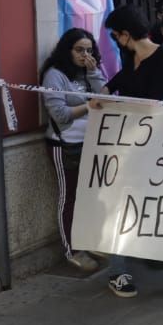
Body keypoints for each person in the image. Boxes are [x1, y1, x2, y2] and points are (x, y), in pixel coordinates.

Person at [102, 5, 163, 298]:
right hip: (132, 145)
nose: (114, 41)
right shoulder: (129, 55)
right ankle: (118, 270)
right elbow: (124, 80)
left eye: (115, 35)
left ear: (126, 34)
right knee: (121, 205)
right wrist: (103, 95)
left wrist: (118, 105)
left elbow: (157, 100)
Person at [39, 29, 106, 274]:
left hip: (92, 143)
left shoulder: (90, 72)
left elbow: (106, 96)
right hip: (64, 143)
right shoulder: (55, 75)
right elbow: (60, 114)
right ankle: (72, 250)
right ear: (67, 50)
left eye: (89, 50)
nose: (85, 54)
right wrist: (89, 106)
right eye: (79, 49)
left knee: (91, 196)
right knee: (70, 197)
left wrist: (94, 72)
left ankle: (90, 241)